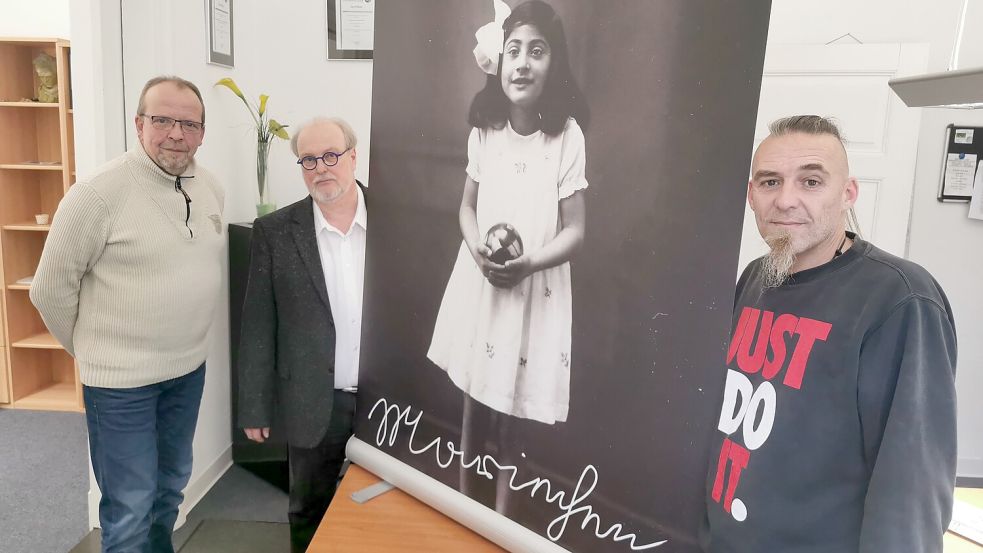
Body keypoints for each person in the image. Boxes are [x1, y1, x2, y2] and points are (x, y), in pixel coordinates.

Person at [703, 115, 957, 552]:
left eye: (811, 182)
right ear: (751, 196)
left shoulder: (900, 299)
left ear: (847, 194)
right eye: (769, 182)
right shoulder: (754, 278)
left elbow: (910, 489)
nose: (785, 200)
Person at [31, 76, 224, 553]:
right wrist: (95, 352)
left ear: (202, 132)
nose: (175, 133)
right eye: (162, 120)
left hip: (186, 372)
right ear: (139, 125)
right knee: (131, 508)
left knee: (170, 490)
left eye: (188, 123)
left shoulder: (211, 187)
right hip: (121, 388)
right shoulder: (96, 194)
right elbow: (49, 291)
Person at [237, 116, 366, 553]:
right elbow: (258, 322)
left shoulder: (397, 220)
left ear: (353, 156)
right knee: (308, 510)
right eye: (308, 159)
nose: (321, 168)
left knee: (386, 510)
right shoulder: (275, 232)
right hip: (314, 400)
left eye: (331, 155)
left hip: (387, 401)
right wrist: (255, 405)